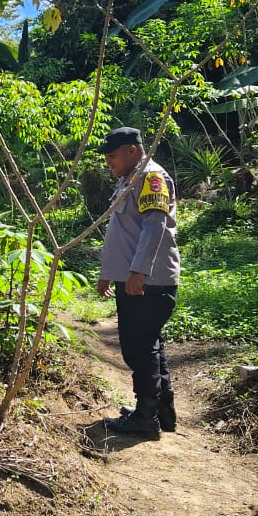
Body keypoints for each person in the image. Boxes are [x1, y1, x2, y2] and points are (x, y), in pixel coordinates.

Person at [95, 127, 180, 438]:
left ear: (133, 150)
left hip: (148, 281)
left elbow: (155, 226)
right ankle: (161, 413)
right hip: (133, 277)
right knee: (148, 345)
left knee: (138, 348)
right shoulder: (129, 179)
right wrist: (110, 271)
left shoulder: (151, 177)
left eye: (112, 156)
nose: (109, 163)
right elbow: (124, 231)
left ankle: (146, 418)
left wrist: (138, 272)